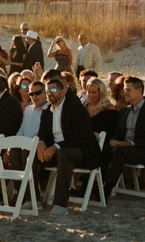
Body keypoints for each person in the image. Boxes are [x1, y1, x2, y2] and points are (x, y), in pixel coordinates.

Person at [35, 76, 102, 215]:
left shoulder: (75, 108)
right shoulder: (46, 111)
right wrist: (40, 144)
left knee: (63, 153)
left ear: (63, 91)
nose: (50, 93)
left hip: (82, 153)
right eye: (47, 90)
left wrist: (56, 147)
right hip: (57, 152)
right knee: (26, 152)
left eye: (53, 89)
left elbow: (80, 137)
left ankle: (60, 204)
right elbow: (42, 133)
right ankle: (32, 199)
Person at [102, 76, 145, 202]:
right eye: (124, 89)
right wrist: (113, 141)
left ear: (139, 91)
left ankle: (106, 188)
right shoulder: (124, 111)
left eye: (128, 90)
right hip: (124, 149)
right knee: (103, 149)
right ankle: (92, 185)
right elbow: (117, 133)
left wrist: (128, 144)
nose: (125, 92)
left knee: (120, 151)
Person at [83, 78, 118, 155]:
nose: (91, 95)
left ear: (101, 92)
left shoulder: (109, 107)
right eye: (89, 92)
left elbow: (110, 131)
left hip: (102, 144)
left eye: (94, 92)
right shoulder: (84, 106)